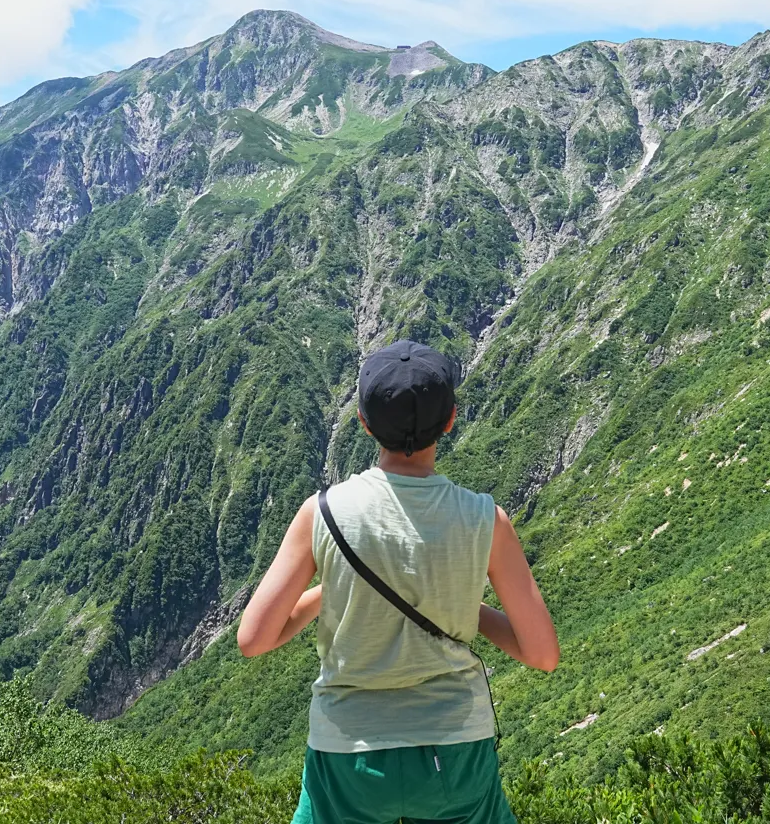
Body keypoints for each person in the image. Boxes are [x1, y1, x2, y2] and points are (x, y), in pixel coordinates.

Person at [237, 339, 560, 824]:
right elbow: (542, 655)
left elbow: (254, 639)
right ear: (450, 421)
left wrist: (334, 589)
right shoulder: (485, 520)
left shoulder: (320, 514)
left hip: (348, 753)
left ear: (365, 423)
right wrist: (464, 605)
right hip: (455, 753)